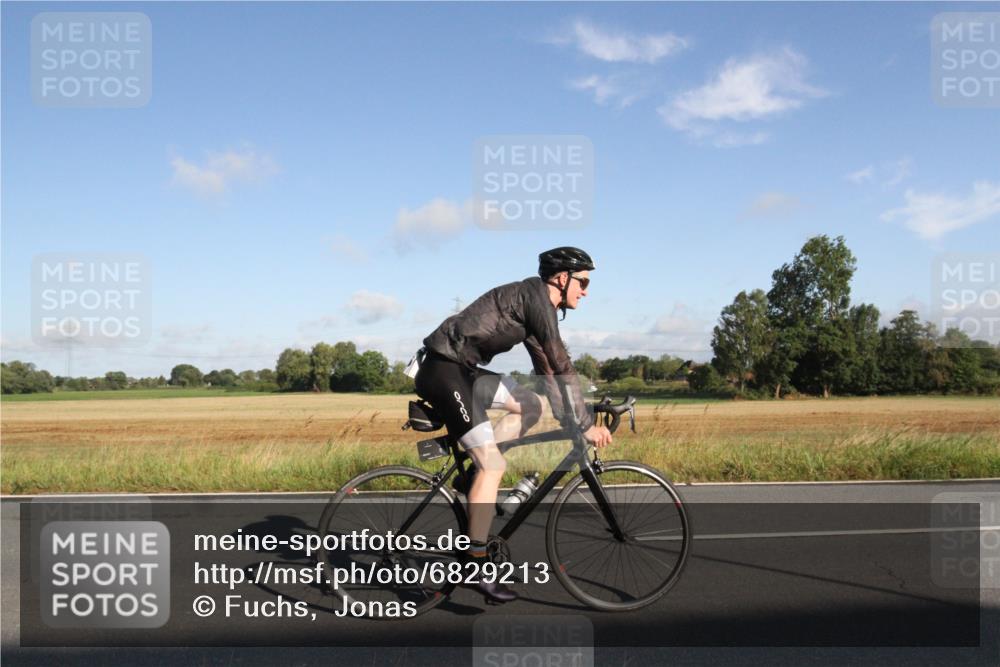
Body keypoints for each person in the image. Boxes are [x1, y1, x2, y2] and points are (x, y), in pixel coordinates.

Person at [413, 247, 613, 603]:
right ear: (561, 278)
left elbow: (548, 371)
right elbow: (562, 361)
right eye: (582, 282)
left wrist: (571, 416)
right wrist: (583, 424)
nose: (585, 291)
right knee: (494, 464)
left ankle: (475, 479)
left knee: (529, 404)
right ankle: (475, 563)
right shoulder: (535, 296)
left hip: (463, 370)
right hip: (444, 369)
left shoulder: (539, 309)